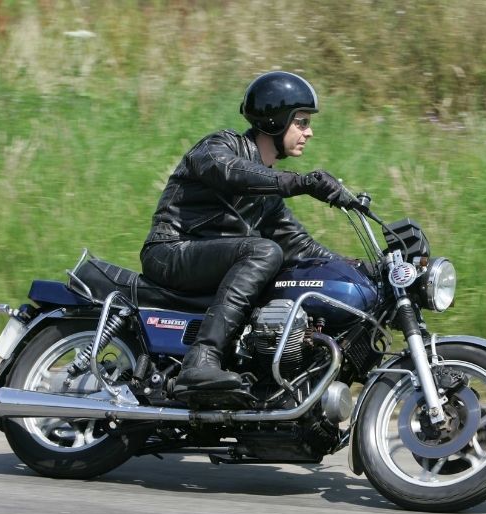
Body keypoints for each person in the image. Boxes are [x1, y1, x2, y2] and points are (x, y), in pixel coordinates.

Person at [140, 71, 355, 393]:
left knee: (291, 271)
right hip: (171, 250)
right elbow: (230, 172)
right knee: (264, 250)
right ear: (275, 120)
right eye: (301, 122)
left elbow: (302, 246)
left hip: (209, 263)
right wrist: (302, 183)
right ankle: (201, 360)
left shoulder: (266, 193)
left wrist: (361, 270)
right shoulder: (219, 147)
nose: (309, 133)